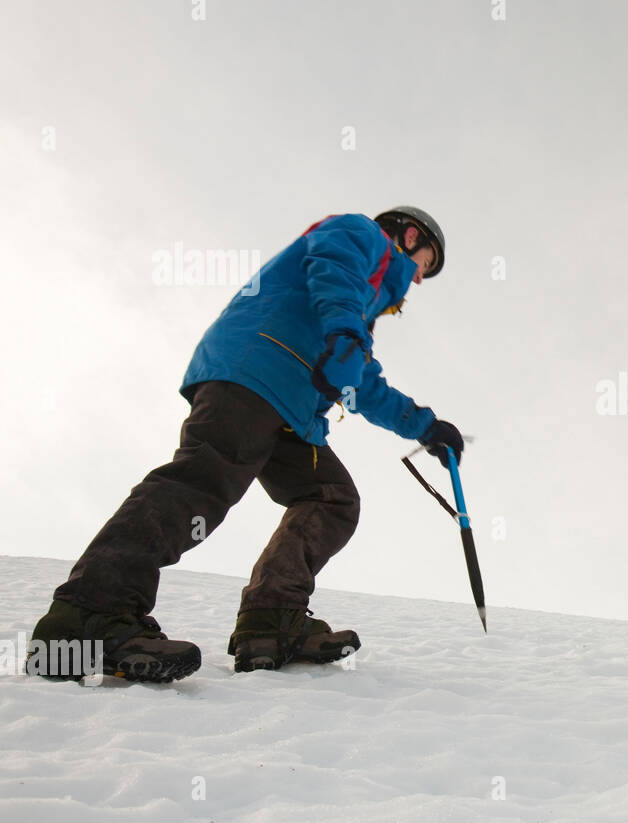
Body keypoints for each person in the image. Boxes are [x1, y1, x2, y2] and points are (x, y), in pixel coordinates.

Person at [26, 208, 463, 683]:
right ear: (410, 236)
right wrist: (344, 333)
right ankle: (89, 615)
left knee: (331, 498)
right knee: (203, 482)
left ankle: (271, 621)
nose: (420, 279)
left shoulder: (360, 306)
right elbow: (333, 267)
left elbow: (362, 381)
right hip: (255, 371)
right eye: (427, 263)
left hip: (293, 411)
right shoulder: (360, 236)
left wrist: (425, 427)